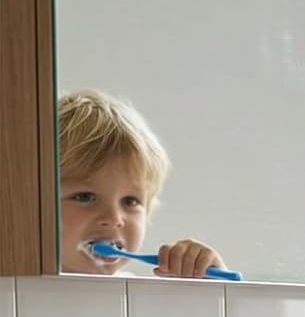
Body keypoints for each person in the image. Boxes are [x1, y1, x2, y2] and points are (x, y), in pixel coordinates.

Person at [57, 89, 225, 279]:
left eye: (130, 201)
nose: (114, 218)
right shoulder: (20, 288)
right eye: (85, 197)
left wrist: (208, 282)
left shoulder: (141, 296)